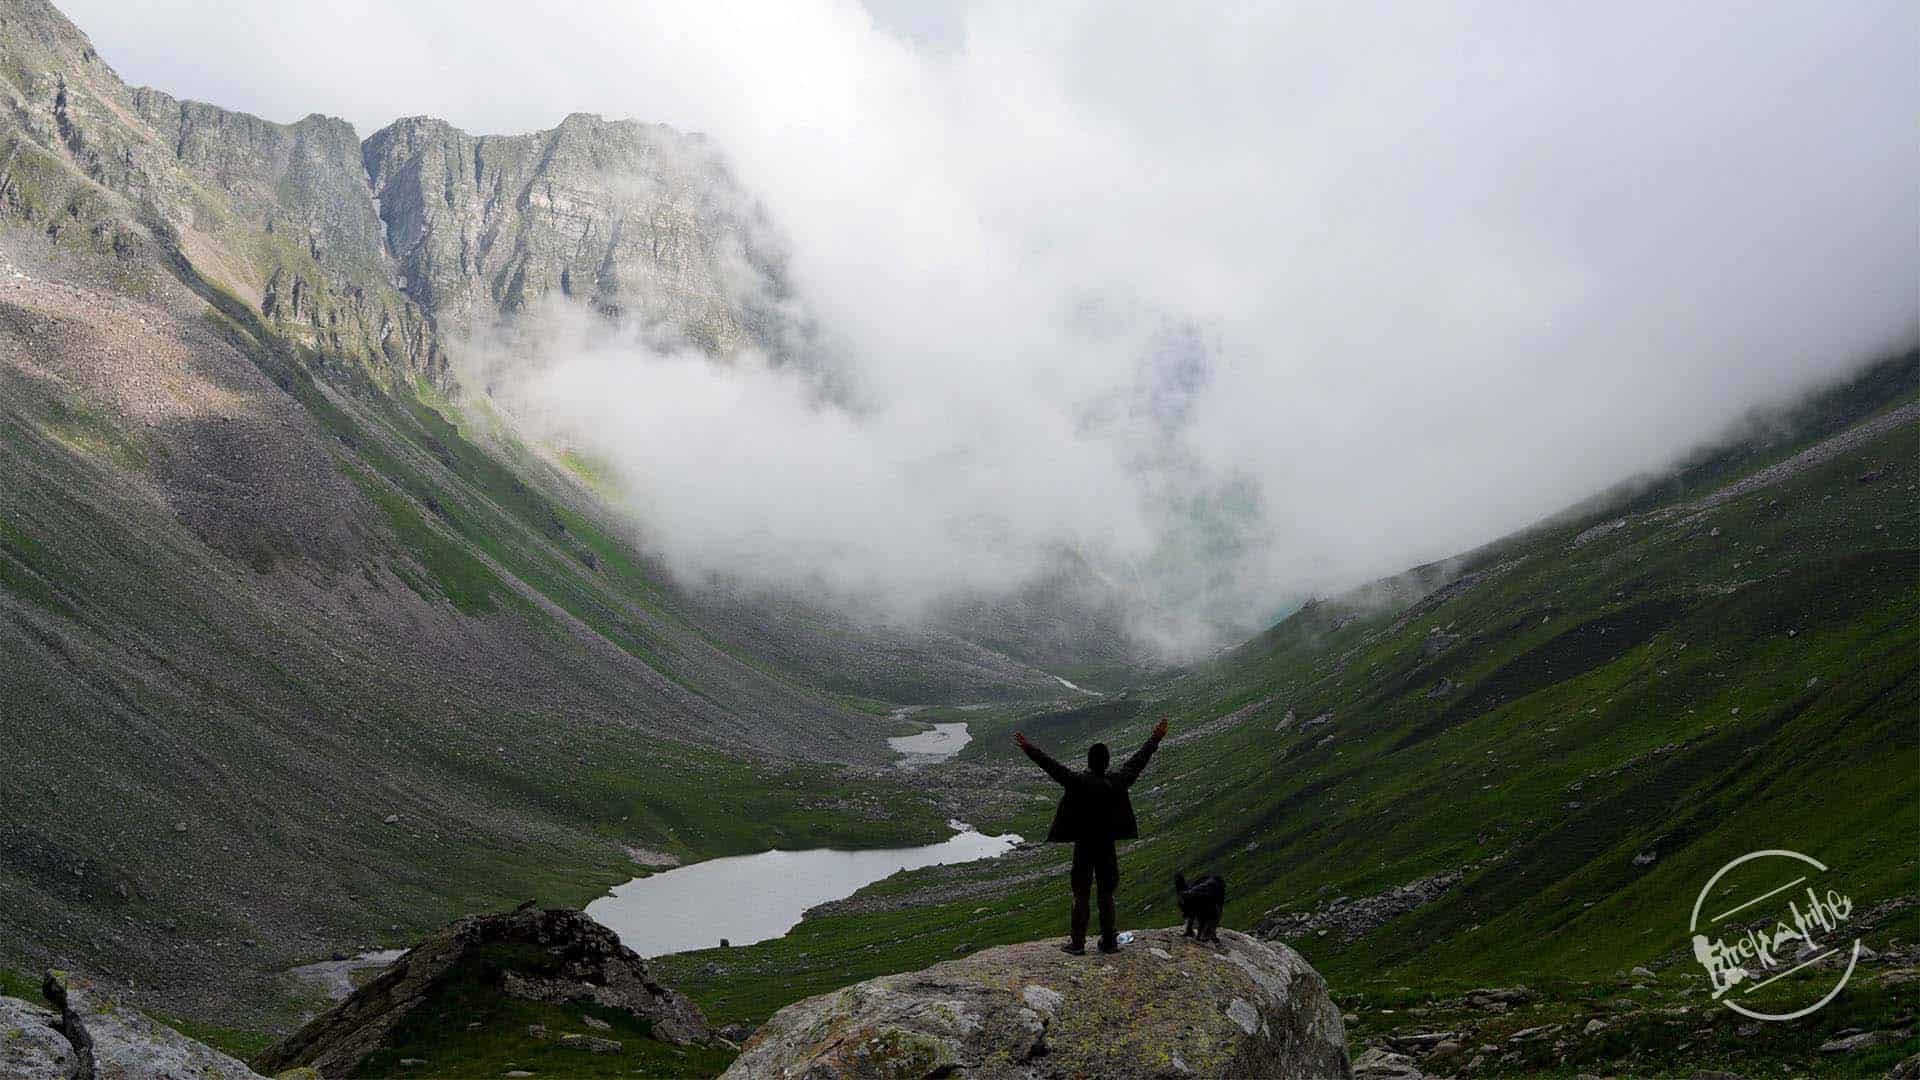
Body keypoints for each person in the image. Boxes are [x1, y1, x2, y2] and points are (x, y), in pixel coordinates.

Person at [1014, 717, 1169, 954]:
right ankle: (1108, 942)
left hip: (1084, 846)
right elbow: (1139, 760)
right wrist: (1156, 738)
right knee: (1106, 895)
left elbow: (1051, 766)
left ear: (1089, 761)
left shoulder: (1078, 782)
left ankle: (1077, 944)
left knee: (1081, 894)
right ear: (1106, 763)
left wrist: (1028, 748)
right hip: (1107, 846)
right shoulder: (1117, 781)